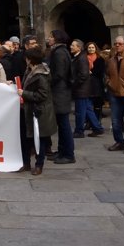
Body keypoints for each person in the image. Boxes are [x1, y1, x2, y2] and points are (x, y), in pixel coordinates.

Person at [18, 46, 57, 176]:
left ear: (30, 59)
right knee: (26, 138)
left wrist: (24, 93)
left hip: (39, 111)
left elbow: (42, 95)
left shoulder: (41, 75)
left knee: (40, 139)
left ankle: (39, 164)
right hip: (28, 110)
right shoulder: (29, 70)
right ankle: (26, 163)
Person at [48, 29, 75, 164]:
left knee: (64, 124)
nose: (49, 38)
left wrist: (48, 83)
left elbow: (58, 74)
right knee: (61, 123)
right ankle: (61, 150)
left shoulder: (59, 53)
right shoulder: (61, 51)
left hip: (60, 92)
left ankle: (69, 154)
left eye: (51, 36)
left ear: (57, 38)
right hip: (61, 91)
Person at [71, 39, 105, 138]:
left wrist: (74, 85)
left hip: (82, 89)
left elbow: (83, 75)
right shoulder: (82, 57)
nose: (71, 47)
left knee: (80, 111)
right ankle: (97, 128)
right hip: (85, 88)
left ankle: (79, 131)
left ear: (79, 47)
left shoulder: (81, 58)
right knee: (88, 109)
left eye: (73, 45)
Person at [85, 41, 106, 123]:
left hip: (97, 85)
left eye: (92, 47)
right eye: (89, 47)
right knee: (88, 106)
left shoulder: (100, 59)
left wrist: (90, 72)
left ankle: (97, 121)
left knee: (97, 105)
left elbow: (100, 72)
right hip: (87, 85)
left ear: (95, 48)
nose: (91, 49)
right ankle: (89, 122)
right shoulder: (84, 58)